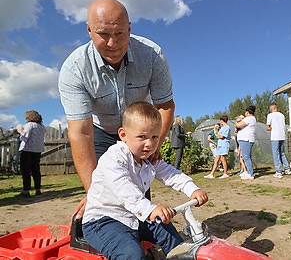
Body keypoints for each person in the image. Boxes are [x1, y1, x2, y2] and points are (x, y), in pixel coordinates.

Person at [58, 0, 175, 220]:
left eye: (120, 33)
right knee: (105, 196)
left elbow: (164, 105)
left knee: (137, 192)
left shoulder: (151, 55)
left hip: (138, 130)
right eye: (103, 34)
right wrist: (94, 192)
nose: (113, 43)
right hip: (100, 131)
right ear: (89, 30)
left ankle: (143, 239)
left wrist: (154, 142)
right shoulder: (74, 69)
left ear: (129, 29)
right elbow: (81, 132)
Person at [82, 102, 208, 259]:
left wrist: (192, 189)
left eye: (154, 137)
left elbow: (170, 174)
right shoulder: (114, 157)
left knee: (169, 232)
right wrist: (150, 209)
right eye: (142, 137)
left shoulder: (149, 159)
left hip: (134, 217)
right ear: (123, 135)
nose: (149, 144)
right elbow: (123, 187)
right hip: (104, 220)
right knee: (131, 254)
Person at [17, 110, 46, 197]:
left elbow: (25, 137)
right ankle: (38, 189)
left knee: (26, 171)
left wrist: (20, 132)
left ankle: (26, 191)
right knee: (36, 170)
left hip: (27, 150)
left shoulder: (29, 125)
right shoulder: (42, 126)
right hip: (37, 150)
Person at [266, 103, 291, 179]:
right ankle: (287, 169)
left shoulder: (270, 115)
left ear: (271, 109)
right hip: (282, 136)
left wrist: (270, 128)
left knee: (275, 154)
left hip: (275, 136)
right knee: (282, 153)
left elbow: (268, 127)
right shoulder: (282, 115)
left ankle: (278, 171)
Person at [235, 106, 257, 180]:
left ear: (247, 112)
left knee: (246, 157)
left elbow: (238, 125)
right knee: (247, 157)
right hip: (247, 139)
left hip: (246, 140)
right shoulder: (252, 119)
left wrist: (239, 120)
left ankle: (250, 174)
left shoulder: (249, 118)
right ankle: (248, 172)